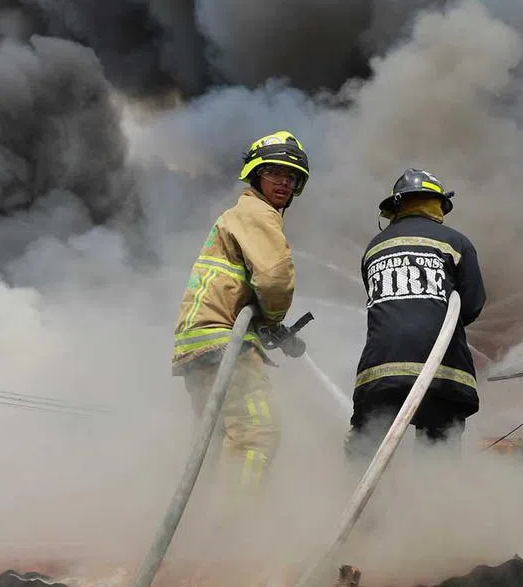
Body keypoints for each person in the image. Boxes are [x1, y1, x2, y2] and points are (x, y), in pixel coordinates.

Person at [172, 130, 309, 489]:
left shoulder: (235, 216)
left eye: (292, 176)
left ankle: (200, 530)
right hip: (223, 341)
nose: (284, 181)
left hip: (198, 343)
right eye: (275, 172)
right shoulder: (256, 212)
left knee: (215, 442)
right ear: (255, 174)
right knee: (256, 433)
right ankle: (232, 532)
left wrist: (262, 324)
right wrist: (273, 316)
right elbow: (275, 278)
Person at [344, 168, 486, 461]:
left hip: (379, 375)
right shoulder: (456, 243)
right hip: (442, 374)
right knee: (436, 465)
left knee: (364, 459)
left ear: (396, 206)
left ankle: (365, 505)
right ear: (437, 204)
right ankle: (430, 505)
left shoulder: (374, 248)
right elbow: (471, 306)